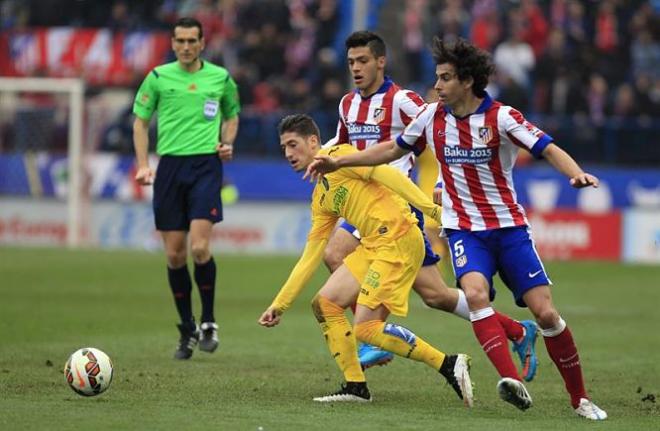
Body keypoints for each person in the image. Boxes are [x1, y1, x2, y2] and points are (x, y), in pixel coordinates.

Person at [306, 37, 607, 420]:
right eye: (437, 78)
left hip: (509, 228)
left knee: (545, 313)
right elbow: (390, 149)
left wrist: (576, 173)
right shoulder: (430, 116)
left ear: (467, 81)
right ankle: (511, 381)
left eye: (445, 78)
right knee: (475, 294)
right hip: (463, 230)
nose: (437, 86)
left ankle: (578, 397)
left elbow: (546, 147)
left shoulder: (501, 117)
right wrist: (338, 162)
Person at [324, 30, 539, 379]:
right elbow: (342, 142)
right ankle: (516, 329)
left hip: (397, 207)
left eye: (363, 60)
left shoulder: (403, 100)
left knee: (336, 253)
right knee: (436, 295)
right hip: (367, 209)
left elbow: (444, 131)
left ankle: (371, 334)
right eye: (350, 62)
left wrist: (441, 180)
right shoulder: (347, 104)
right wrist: (321, 157)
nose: (356, 68)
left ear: (381, 61)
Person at [258, 114, 473, 406]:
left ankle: (449, 364)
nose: (288, 154)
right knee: (326, 303)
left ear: (312, 142)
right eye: (284, 148)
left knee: (366, 328)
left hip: (398, 239)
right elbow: (311, 256)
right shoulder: (321, 196)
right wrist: (279, 304)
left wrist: (434, 213)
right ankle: (356, 386)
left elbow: (391, 176)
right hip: (374, 246)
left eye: (293, 145)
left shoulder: (341, 156)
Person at [132, 17, 240, 360]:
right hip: (169, 168)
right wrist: (143, 165)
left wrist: (227, 142)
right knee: (175, 255)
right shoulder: (158, 78)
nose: (186, 46)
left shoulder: (221, 78)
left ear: (203, 42)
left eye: (192, 40)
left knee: (200, 247)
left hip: (206, 166)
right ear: (173, 42)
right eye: (180, 40)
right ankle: (186, 327)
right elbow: (140, 122)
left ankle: (209, 321)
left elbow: (233, 115)